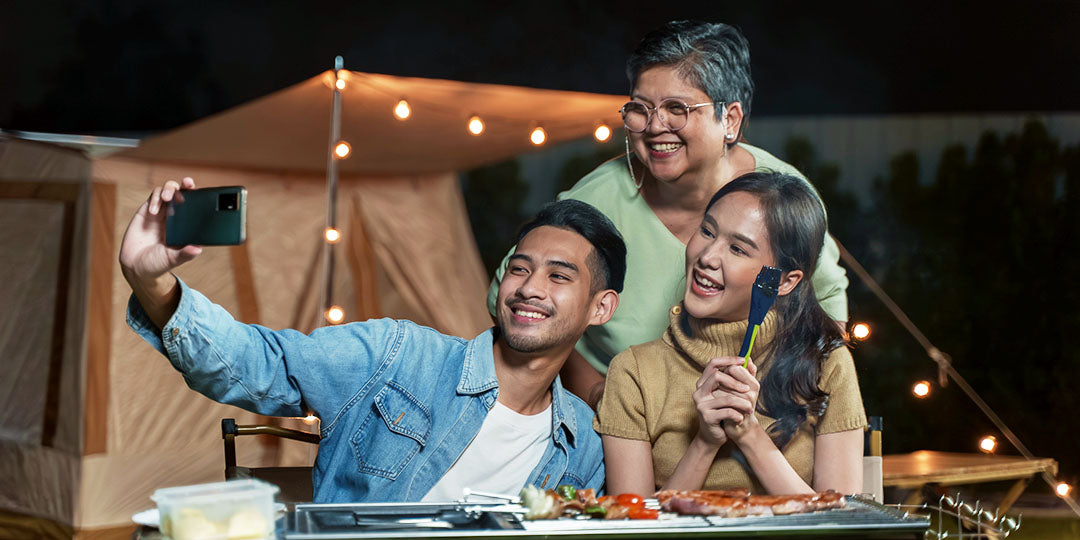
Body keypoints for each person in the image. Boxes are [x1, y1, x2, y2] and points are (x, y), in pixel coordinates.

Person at [120, 177, 626, 502]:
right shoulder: (398, 354)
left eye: (559, 277)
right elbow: (259, 364)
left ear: (601, 308)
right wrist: (151, 281)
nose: (530, 288)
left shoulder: (582, 444)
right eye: (520, 268)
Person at [487, 20, 850, 409]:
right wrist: (598, 396)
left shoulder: (783, 195)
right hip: (629, 427)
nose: (655, 127)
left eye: (677, 109)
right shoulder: (596, 201)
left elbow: (826, 296)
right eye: (640, 109)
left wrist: (797, 401)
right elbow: (510, 297)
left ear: (729, 120)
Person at [596, 171, 866, 496]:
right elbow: (634, 531)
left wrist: (749, 434)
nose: (707, 257)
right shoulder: (633, 371)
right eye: (707, 231)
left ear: (783, 281)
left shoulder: (827, 364)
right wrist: (704, 443)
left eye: (738, 249)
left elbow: (838, 523)